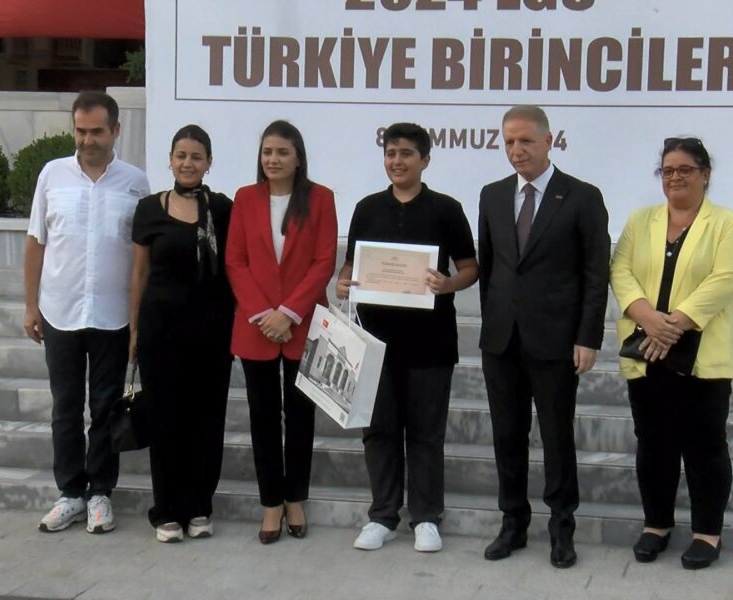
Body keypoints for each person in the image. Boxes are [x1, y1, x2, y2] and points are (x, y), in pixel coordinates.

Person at [477, 105, 610, 568]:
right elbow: (491, 268)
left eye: (526, 141)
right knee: (506, 437)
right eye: (509, 142)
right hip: (502, 341)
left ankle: (561, 528)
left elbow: (595, 274)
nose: (517, 150)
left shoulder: (582, 197)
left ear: (549, 141)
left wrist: (588, 337)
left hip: (556, 341)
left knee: (556, 438)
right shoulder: (492, 195)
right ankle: (512, 523)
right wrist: (493, 323)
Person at [335, 123, 478, 553]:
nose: (396, 161)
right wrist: (343, 282)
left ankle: (427, 517)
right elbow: (350, 265)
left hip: (430, 343)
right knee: (378, 431)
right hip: (373, 342)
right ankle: (382, 515)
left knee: (425, 434)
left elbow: (470, 267)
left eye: (406, 154)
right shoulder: (367, 208)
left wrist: (447, 285)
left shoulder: (446, 209)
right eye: (390, 153)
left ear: (425, 160)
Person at [610, 137, 733, 570]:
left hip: (700, 354)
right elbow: (620, 269)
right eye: (668, 170)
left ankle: (707, 533)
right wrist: (646, 317)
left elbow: (727, 277)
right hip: (647, 349)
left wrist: (673, 324)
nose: (675, 177)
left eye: (685, 169)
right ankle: (656, 525)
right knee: (654, 444)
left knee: (706, 446)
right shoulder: (641, 220)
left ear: (705, 173)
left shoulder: (726, 223)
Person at [24, 91, 150, 534]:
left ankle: (100, 494)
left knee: (105, 407)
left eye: (96, 131)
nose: (87, 139)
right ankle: (70, 493)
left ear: (116, 130)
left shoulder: (135, 182)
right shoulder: (52, 175)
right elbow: (36, 241)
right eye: (80, 130)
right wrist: (30, 305)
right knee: (65, 407)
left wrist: (138, 320)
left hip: (113, 314)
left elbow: (142, 257)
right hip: (59, 310)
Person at [225, 120, 337, 544]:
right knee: (263, 417)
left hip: (302, 324)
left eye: (282, 152)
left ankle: (295, 498)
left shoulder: (320, 198)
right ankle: (271, 502)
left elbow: (323, 262)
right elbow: (235, 261)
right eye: (267, 152)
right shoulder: (245, 198)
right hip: (256, 326)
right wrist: (263, 313)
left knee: (301, 417)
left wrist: (288, 313)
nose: (273, 159)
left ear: (298, 158)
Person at [128, 125, 234, 543]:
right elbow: (139, 273)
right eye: (181, 156)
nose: (188, 163)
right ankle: (167, 510)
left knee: (207, 419)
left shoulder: (222, 209)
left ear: (209, 163)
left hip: (212, 331)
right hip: (161, 330)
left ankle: (199, 507)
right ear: (170, 160)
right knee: (165, 418)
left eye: (196, 156)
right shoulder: (148, 209)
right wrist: (134, 329)